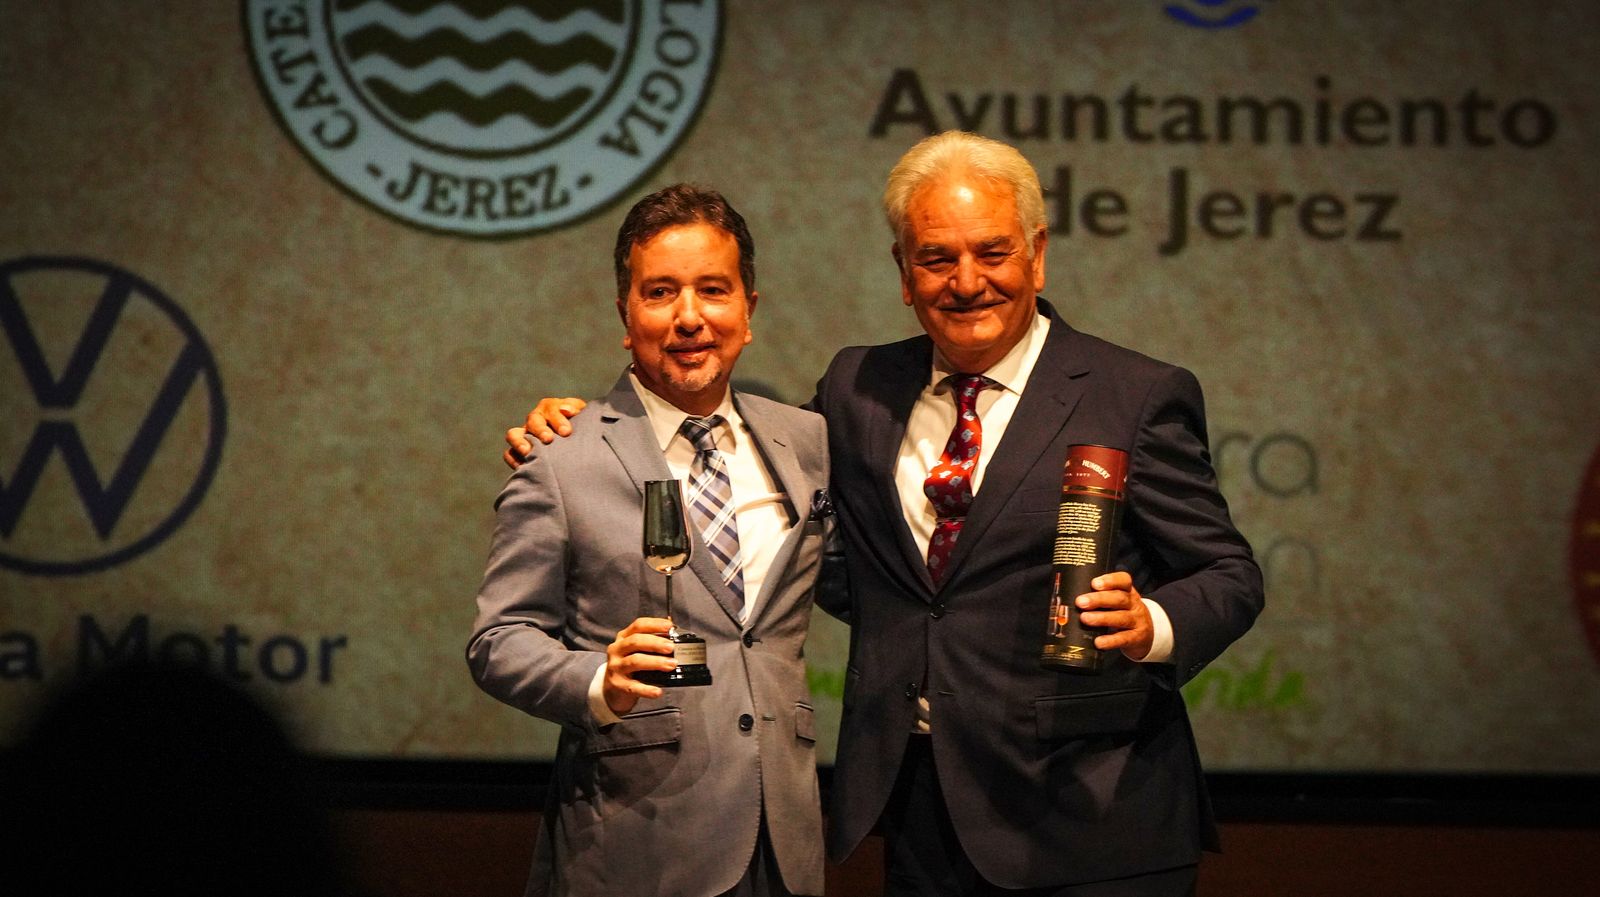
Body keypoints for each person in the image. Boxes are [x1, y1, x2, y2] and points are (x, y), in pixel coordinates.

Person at [507, 133, 1264, 896]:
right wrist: (581, 427)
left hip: (1094, 815)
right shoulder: (857, 388)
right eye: (936, 258)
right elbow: (733, 470)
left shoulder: (1132, 392)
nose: (967, 281)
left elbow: (1229, 573)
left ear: (1037, 256)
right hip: (920, 812)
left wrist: (1152, 625)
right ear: (904, 273)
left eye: (992, 253)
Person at [468, 184, 835, 897]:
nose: (690, 317)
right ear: (625, 315)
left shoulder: (807, 440)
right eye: (661, 292)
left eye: (713, 290)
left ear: (749, 310)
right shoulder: (561, 456)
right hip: (636, 841)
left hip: (783, 842)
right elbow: (499, 637)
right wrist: (599, 680)